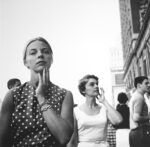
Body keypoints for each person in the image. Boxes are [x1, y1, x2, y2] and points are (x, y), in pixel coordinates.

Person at [0, 37, 74, 147]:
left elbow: (63, 137)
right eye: (33, 53)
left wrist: (41, 97)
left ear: (51, 59)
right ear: (25, 62)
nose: (40, 55)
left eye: (45, 51)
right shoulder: (12, 96)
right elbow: (2, 140)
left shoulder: (65, 95)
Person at [68, 74, 122, 147]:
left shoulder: (104, 109)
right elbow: (72, 140)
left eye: (97, 84)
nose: (96, 86)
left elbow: (118, 121)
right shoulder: (76, 111)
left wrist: (104, 101)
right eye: (92, 84)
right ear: (83, 90)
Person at [129, 76, 150, 147]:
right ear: (139, 85)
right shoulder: (139, 97)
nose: (148, 85)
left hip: (135, 132)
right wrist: (148, 117)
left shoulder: (135, 96)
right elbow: (136, 118)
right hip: (140, 131)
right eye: (146, 83)